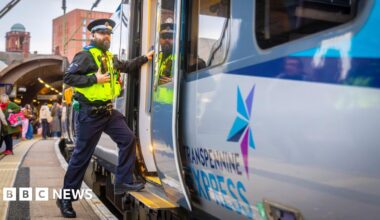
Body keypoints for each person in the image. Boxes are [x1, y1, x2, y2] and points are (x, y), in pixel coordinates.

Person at [57, 18, 154, 218]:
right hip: (89, 114)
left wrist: (145, 58)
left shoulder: (109, 57)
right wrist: (95, 79)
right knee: (81, 157)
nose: (106, 37)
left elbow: (126, 66)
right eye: (102, 34)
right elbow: (68, 77)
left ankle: (122, 181)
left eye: (109, 34)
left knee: (128, 139)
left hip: (108, 112)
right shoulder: (85, 56)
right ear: (93, 35)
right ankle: (65, 199)